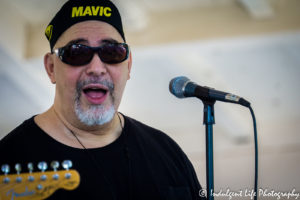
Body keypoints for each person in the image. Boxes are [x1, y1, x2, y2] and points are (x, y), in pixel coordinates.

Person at [0, 0, 205, 199]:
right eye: (77, 52)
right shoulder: (10, 157)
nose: (96, 68)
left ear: (128, 65)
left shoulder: (167, 152)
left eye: (112, 52)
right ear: (51, 67)